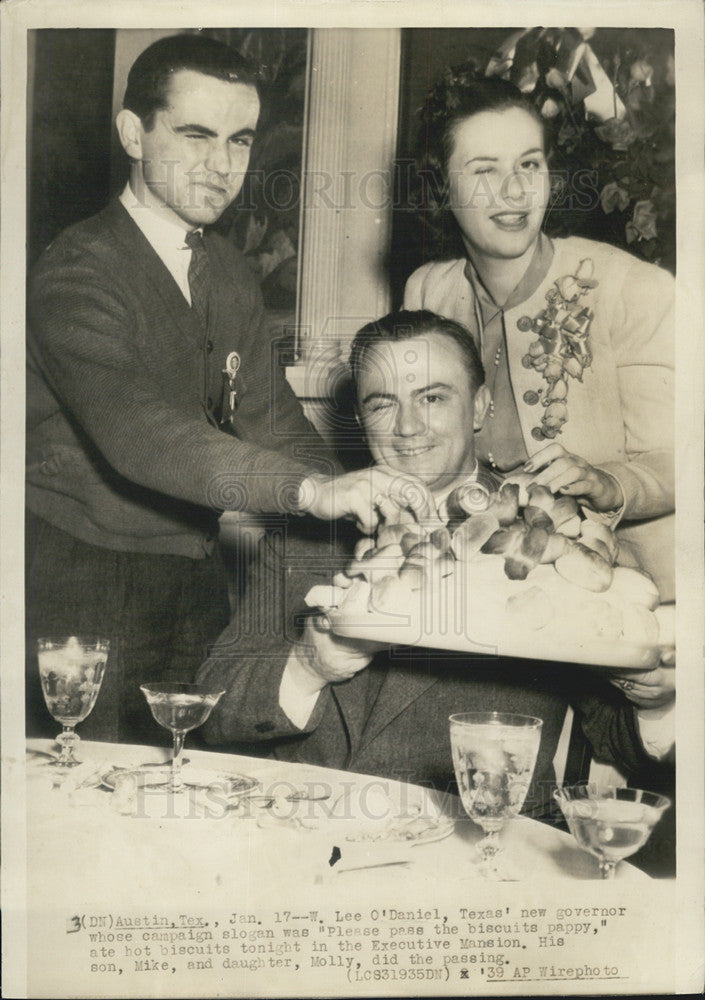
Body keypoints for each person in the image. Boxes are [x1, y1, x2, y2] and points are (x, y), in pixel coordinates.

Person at [25, 34, 432, 745]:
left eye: (239, 140)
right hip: (78, 580)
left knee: (195, 786)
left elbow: (274, 423)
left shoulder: (229, 272)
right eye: (195, 136)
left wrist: (369, 503)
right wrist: (311, 495)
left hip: (195, 579)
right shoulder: (76, 271)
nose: (222, 166)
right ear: (132, 133)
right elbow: (138, 433)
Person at [198, 310, 673, 832]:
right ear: (358, 417)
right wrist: (309, 665)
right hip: (300, 834)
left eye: (432, 397)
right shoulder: (310, 531)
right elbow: (211, 706)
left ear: (479, 407)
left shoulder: (554, 538)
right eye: (382, 404)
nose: (407, 428)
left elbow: (616, 735)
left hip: (474, 848)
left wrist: (652, 698)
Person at [402, 65, 674, 602]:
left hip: (641, 596)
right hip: (496, 590)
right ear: (440, 187)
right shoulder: (426, 294)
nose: (515, 190)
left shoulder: (633, 289)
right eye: (484, 170)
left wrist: (606, 481)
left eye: (530, 163)